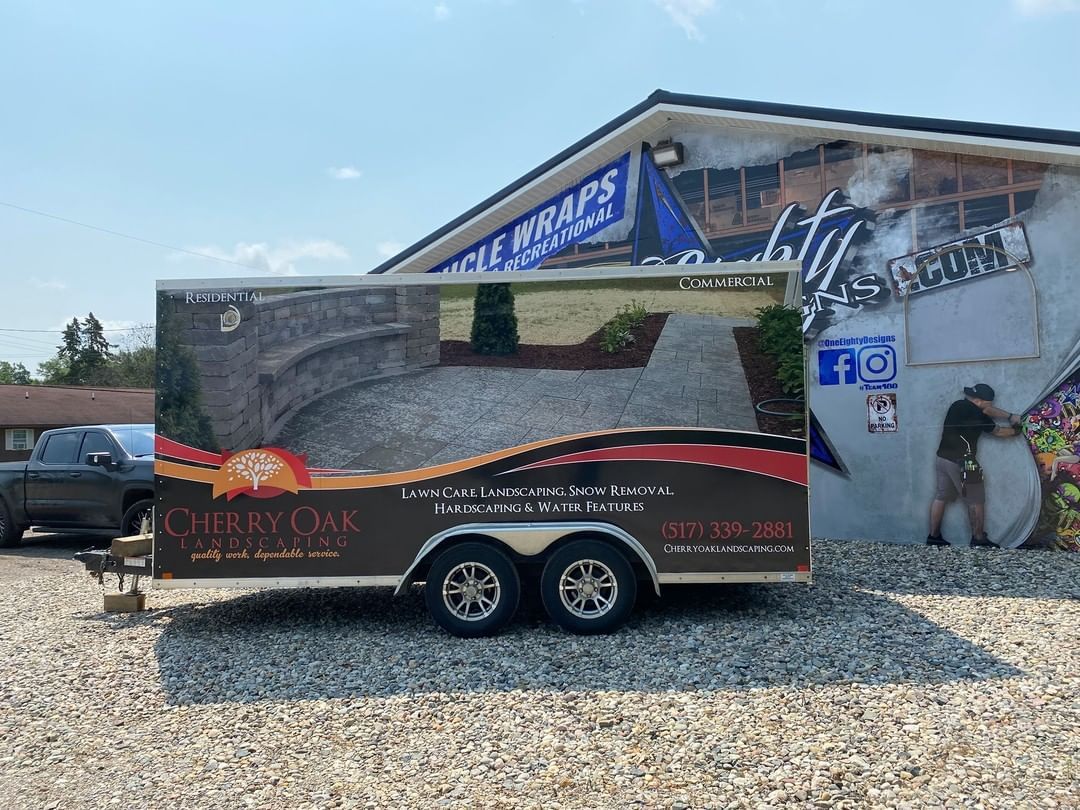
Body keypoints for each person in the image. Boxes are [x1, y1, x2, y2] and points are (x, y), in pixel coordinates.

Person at [926, 383, 1024, 548]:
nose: (991, 406)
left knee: (941, 496)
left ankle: (933, 537)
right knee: (976, 500)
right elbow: (999, 432)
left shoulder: (958, 405)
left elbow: (987, 410)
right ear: (978, 401)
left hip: (942, 458)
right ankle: (978, 538)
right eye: (988, 402)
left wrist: (1010, 416)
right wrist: (1017, 429)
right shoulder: (976, 415)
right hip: (964, 461)